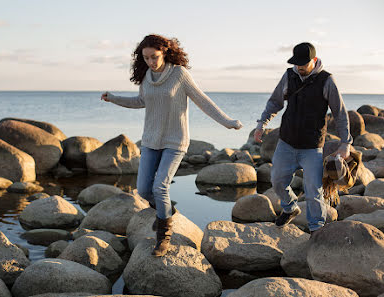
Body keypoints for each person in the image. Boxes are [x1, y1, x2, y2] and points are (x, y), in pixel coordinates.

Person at [101, 34, 243, 256]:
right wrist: (113, 98)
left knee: (160, 187)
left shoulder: (179, 74)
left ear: (165, 52)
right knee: (145, 190)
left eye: (154, 57)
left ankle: (163, 237)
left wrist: (227, 122)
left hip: (175, 141)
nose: (151, 62)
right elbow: (140, 102)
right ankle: (166, 212)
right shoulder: (146, 76)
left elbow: (202, 100)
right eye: (146, 58)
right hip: (150, 141)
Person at [254, 42, 352, 234]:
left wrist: (345, 143)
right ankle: (290, 207)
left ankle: (317, 229)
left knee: (313, 191)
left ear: (314, 61)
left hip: (312, 146)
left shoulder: (326, 81)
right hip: (287, 142)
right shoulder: (289, 76)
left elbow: (340, 113)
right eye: (296, 63)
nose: (299, 67)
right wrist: (261, 124)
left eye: (303, 63)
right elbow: (275, 102)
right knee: (277, 180)